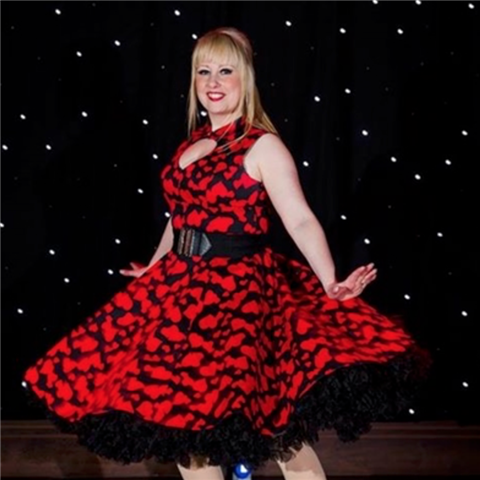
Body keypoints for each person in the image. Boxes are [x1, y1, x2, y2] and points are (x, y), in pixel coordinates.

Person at [23, 27, 429, 480]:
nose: (213, 82)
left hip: (238, 296)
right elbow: (181, 216)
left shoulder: (262, 145)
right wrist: (156, 267)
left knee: (275, 430)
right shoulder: (192, 142)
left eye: (225, 71)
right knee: (187, 430)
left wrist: (329, 279)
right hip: (182, 291)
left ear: (246, 78)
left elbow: (299, 219)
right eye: (204, 71)